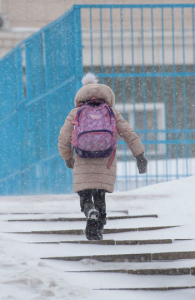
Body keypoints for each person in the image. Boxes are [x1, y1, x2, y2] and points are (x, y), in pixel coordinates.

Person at [58, 73, 148, 240]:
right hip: (105, 158)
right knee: (100, 193)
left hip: (83, 159)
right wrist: (139, 155)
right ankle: (97, 229)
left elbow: (64, 137)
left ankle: (88, 209)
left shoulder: (76, 112)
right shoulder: (111, 112)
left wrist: (67, 157)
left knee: (85, 192)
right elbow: (128, 133)